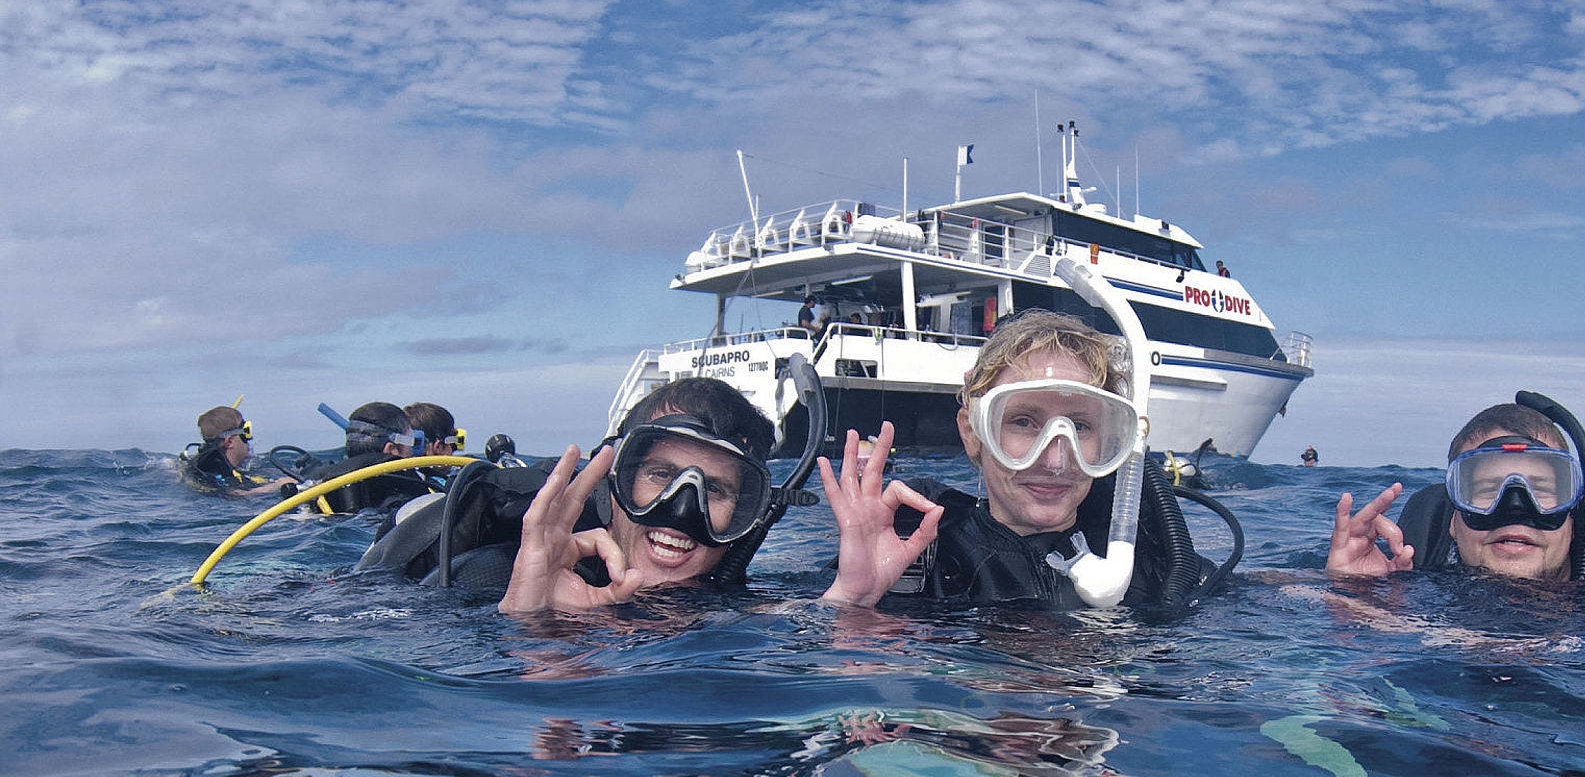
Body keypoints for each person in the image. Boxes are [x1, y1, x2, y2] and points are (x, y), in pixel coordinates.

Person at [818, 309, 1219, 610]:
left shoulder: (1152, 561)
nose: (1056, 458)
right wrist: (851, 599)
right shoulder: (920, 554)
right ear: (973, 431)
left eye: (1080, 427)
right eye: (1024, 422)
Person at [498, 377, 782, 613]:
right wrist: (531, 625)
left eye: (714, 489)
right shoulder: (494, 579)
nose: (682, 511)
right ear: (612, 482)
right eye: (660, 474)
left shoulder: (755, 616)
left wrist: (827, 631)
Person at [1324, 399, 1585, 588]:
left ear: (1574, 517)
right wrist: (1352, 591)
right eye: (1487, 490)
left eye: (1544, 489)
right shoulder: (1411, 598)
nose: (1515, 508)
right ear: (1454, 522)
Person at [305, 402, 434, 513]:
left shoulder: (319, 483)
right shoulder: (405, 486)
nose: (412, 452)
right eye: (411, 443)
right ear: (391, 449)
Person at [183, 405, 294, 496]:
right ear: (230, 442)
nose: (249, 440)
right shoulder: (217, 470)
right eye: (246, 433)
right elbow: (234, 494)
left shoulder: (206, 461)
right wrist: (276, 486)